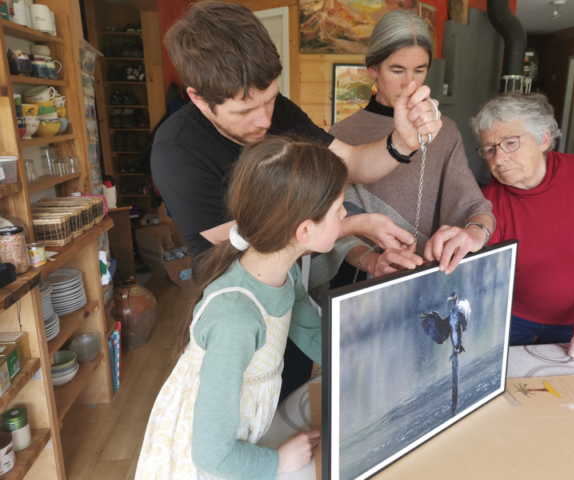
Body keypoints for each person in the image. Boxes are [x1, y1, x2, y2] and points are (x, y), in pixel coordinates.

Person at [152, 1, 442, 262]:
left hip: (287, 282)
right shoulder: (176, 152)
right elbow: (247, 241)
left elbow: (351, 162)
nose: (265, 121)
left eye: (270, 99)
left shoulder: (279, 111)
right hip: (235, 297)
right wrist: (356, 224)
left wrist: (403, 142)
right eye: (244, 112)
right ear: (199, 98)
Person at [136, 137, 349, 479]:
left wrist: (358, 362)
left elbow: (313, 333)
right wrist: (277, 462)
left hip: (243, 439)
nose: (345, 214)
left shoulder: (286, 273)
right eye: (340, 208)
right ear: (305, 230)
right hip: (211, 461)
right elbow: (211, 456)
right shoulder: (236, 317)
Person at [327, 10, 495, 282]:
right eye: (397, 70)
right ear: (373, 69)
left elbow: (475, 208)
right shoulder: (341, 135)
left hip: (426, 278)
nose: (410, 84)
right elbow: (328, 227)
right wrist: (372, 260)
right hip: (358, 282)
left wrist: (476, 232)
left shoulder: (443, 131)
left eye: (420, 70)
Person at [471, 92, 574, 360]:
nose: (498, 159)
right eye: (490, 149)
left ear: (544, 139)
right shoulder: (486, 202)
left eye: (510, 143)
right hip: (508, 317)